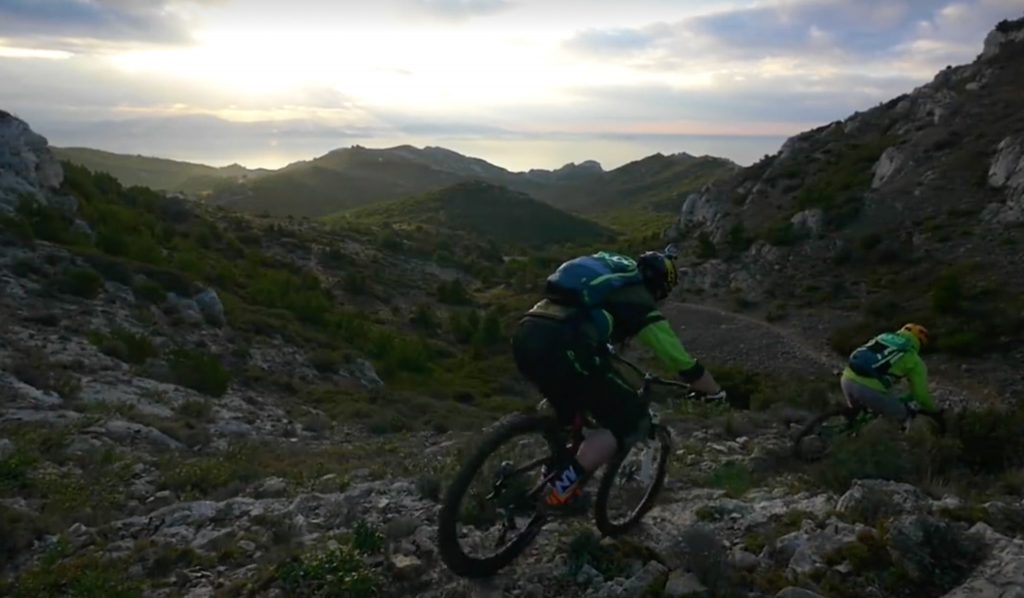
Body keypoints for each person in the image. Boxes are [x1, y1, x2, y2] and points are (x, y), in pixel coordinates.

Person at [511, 248, 725, 511]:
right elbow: (680, 360)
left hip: (527, 333)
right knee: (626, 422)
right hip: (565, 344)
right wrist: (713, 391)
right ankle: (560, 493)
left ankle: (531, 473)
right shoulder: (639, 301)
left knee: (575, 402)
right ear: (658, 288)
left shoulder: (609, 285)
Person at [841, 323, 938, 420]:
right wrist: (934, 411)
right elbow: (921, 396)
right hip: (869, 390)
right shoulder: (914, 360)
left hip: (847, 378)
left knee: (858, 415)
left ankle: (847, 430)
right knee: (904, 415)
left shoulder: (883, 337)